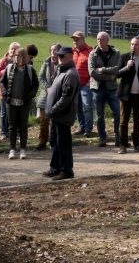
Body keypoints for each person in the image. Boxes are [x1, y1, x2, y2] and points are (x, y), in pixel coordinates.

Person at [44, 45, 79, 180]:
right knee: (55, 142)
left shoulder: (70, 74)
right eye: (58, 55)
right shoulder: (62, 71)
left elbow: (66, 98)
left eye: (62, 56)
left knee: (63, 143)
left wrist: (52, 110)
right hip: (56, 115)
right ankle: (55, 168)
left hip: (63, 115)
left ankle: (66, 170)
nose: (59, 58)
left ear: (70, 57)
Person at [1, 45, 39, 159]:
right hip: (10, 102)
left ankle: (23, 150)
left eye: (20, 56)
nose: (17, 58)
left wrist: (30, 96)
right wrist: (5, 93)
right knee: (11, 126)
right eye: (16, 56)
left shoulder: (30, 70)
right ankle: (12, 150)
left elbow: (35, 85)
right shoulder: (9, 68)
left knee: (23, 126)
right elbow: (2, 82)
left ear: (25, 57)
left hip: (24, 103)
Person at [118, 36, 139, 153]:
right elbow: (117, 74)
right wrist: (126, 67)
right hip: (126, 95)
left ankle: (137, 144)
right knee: (123, 121)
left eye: (136, 44)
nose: (134, 46)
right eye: (132, 44)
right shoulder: (124, 57)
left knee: (137, 121)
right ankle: (122, 145)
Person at [89, 31, 123, 147]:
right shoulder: (92, 54)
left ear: (107, 40)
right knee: (99, 116)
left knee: (117, 113)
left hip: (112, 89)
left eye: (102, 39)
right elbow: (92, 73)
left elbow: (117, 68)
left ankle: (118, 137)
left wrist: (102, 70)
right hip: (97, 89)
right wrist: (109, 76)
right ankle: (102, 138)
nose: (99, 41)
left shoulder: (116, 53)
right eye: (98, 39)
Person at [35, 44, 60, 151]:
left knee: (57, 121)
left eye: (55, 50)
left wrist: (55, 89)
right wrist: (47, 88)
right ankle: (42, 142)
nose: (53, 51)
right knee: (43, 121)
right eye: (52, 49)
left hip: (58, 96)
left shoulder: (62, 63)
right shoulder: (46, 63)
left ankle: (55, 142)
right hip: (45, 95)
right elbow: (41, 78)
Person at [0, 42, 21, 142]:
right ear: (9, 49)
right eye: (12, 49)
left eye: (16, 49)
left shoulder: (20, 61)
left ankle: (13, 133)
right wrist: (6, 69)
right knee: (4, 113)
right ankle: (3, 133)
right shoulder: (3, 61)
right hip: (4, 91)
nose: (13, 51)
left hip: (16, 92)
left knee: (15, 113)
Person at [71, 31, 94, 137]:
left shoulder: (90, 51)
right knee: (77, 106)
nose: (75, 41)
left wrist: (90, 80)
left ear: (83, 40)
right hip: (75, 84)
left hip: (86, 84)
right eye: (74, 39)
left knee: (87, 106)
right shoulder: (73, 51)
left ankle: (88, 128)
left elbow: (95, 66)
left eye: (77, 39)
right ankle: (82, 126)